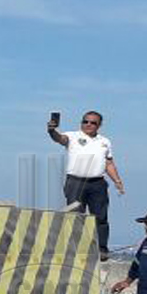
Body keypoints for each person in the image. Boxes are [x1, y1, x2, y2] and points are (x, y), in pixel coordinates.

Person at [48, 110, 125, 258]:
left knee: (100, 217)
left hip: (97, 183)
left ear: (99, 125)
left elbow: (108, 163)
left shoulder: (105, 141)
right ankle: (75, 249)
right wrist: (52, 130)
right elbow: (59, 138)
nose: (88, 125)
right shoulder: (73, 136)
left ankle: (101, 249)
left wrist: (117, 181)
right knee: (75, 216)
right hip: (75, 182)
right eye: (85, 121)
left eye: (93, 123)